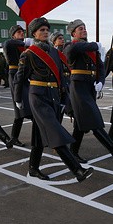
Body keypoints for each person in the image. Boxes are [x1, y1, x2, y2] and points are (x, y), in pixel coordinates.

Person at [15, 18, 93, 181]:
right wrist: (18, 99)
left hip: (53, 96)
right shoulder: (28, 54)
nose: (45, 32)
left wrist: (64, 97)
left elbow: (61, 76)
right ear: (34, 33)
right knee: (54, 131)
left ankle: (33, 168)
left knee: (39, 134)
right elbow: (20, 78)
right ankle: (77, 170)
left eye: (46, 30)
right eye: (41, 30)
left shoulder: (54, 52)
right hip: (38, 97)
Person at [64, 19, 113, 163]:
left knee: (80, 123)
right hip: (78, 87)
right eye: (80, 29)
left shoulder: (92, 49)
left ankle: (73, 152)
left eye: (85, 28)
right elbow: (72, 51)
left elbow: (101, 67)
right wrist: (94, 45)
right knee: (94, 120)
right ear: (73, 33)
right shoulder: (71, 45)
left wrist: (100, 82)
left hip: (90, 87)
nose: (84, 30)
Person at [2, 25, 28, 147]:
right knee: (19, 109)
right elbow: (8, 43)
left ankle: (14, 137)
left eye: (22, 31)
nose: (21, 33)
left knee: (28, 109)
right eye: (18, 32)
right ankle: (14, 137)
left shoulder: (25, 46)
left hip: (27, 76)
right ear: (13, 36)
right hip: (15, 75)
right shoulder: (11, 45)